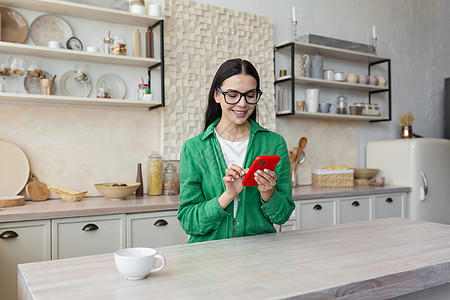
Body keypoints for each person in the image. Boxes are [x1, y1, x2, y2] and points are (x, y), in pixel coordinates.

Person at [177, 58, 294, 243]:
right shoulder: (194, 149)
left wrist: (268, 193)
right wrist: (228, 195)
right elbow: (189, 221)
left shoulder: (274, 144)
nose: (242, 104)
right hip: (208, 256)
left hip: (259, 252)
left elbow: (282, 216)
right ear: (217, 95)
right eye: (232, 95)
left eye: (250, 95)